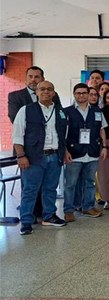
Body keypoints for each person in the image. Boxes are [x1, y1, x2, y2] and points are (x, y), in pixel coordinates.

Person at [12, 81, 68, 235]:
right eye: (42, 89)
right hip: (34, 158)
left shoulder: (60, 111)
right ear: (36, 92)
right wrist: (21, 155)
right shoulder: (26, 110)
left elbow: (63, 135)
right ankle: (26, 221)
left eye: (49, 89)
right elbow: (17, 135)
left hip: (54, 156)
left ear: (54, 93)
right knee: (30, 190)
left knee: (50, 189)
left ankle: (49, 216)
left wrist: (64, 152)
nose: (46, 92)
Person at [63, 83, 107, 221]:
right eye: (78, 93)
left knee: (90, 182)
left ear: (89, 94)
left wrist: (104, 147)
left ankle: (88, 207)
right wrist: (64, 151)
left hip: (92, 152)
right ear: (74, 95)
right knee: (70, 183)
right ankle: (68, 210)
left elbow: (102, 129)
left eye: (84, 93)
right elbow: (62, 133)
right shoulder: (66, 112)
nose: (81, 95)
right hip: (74, 153)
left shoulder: (97, 112)